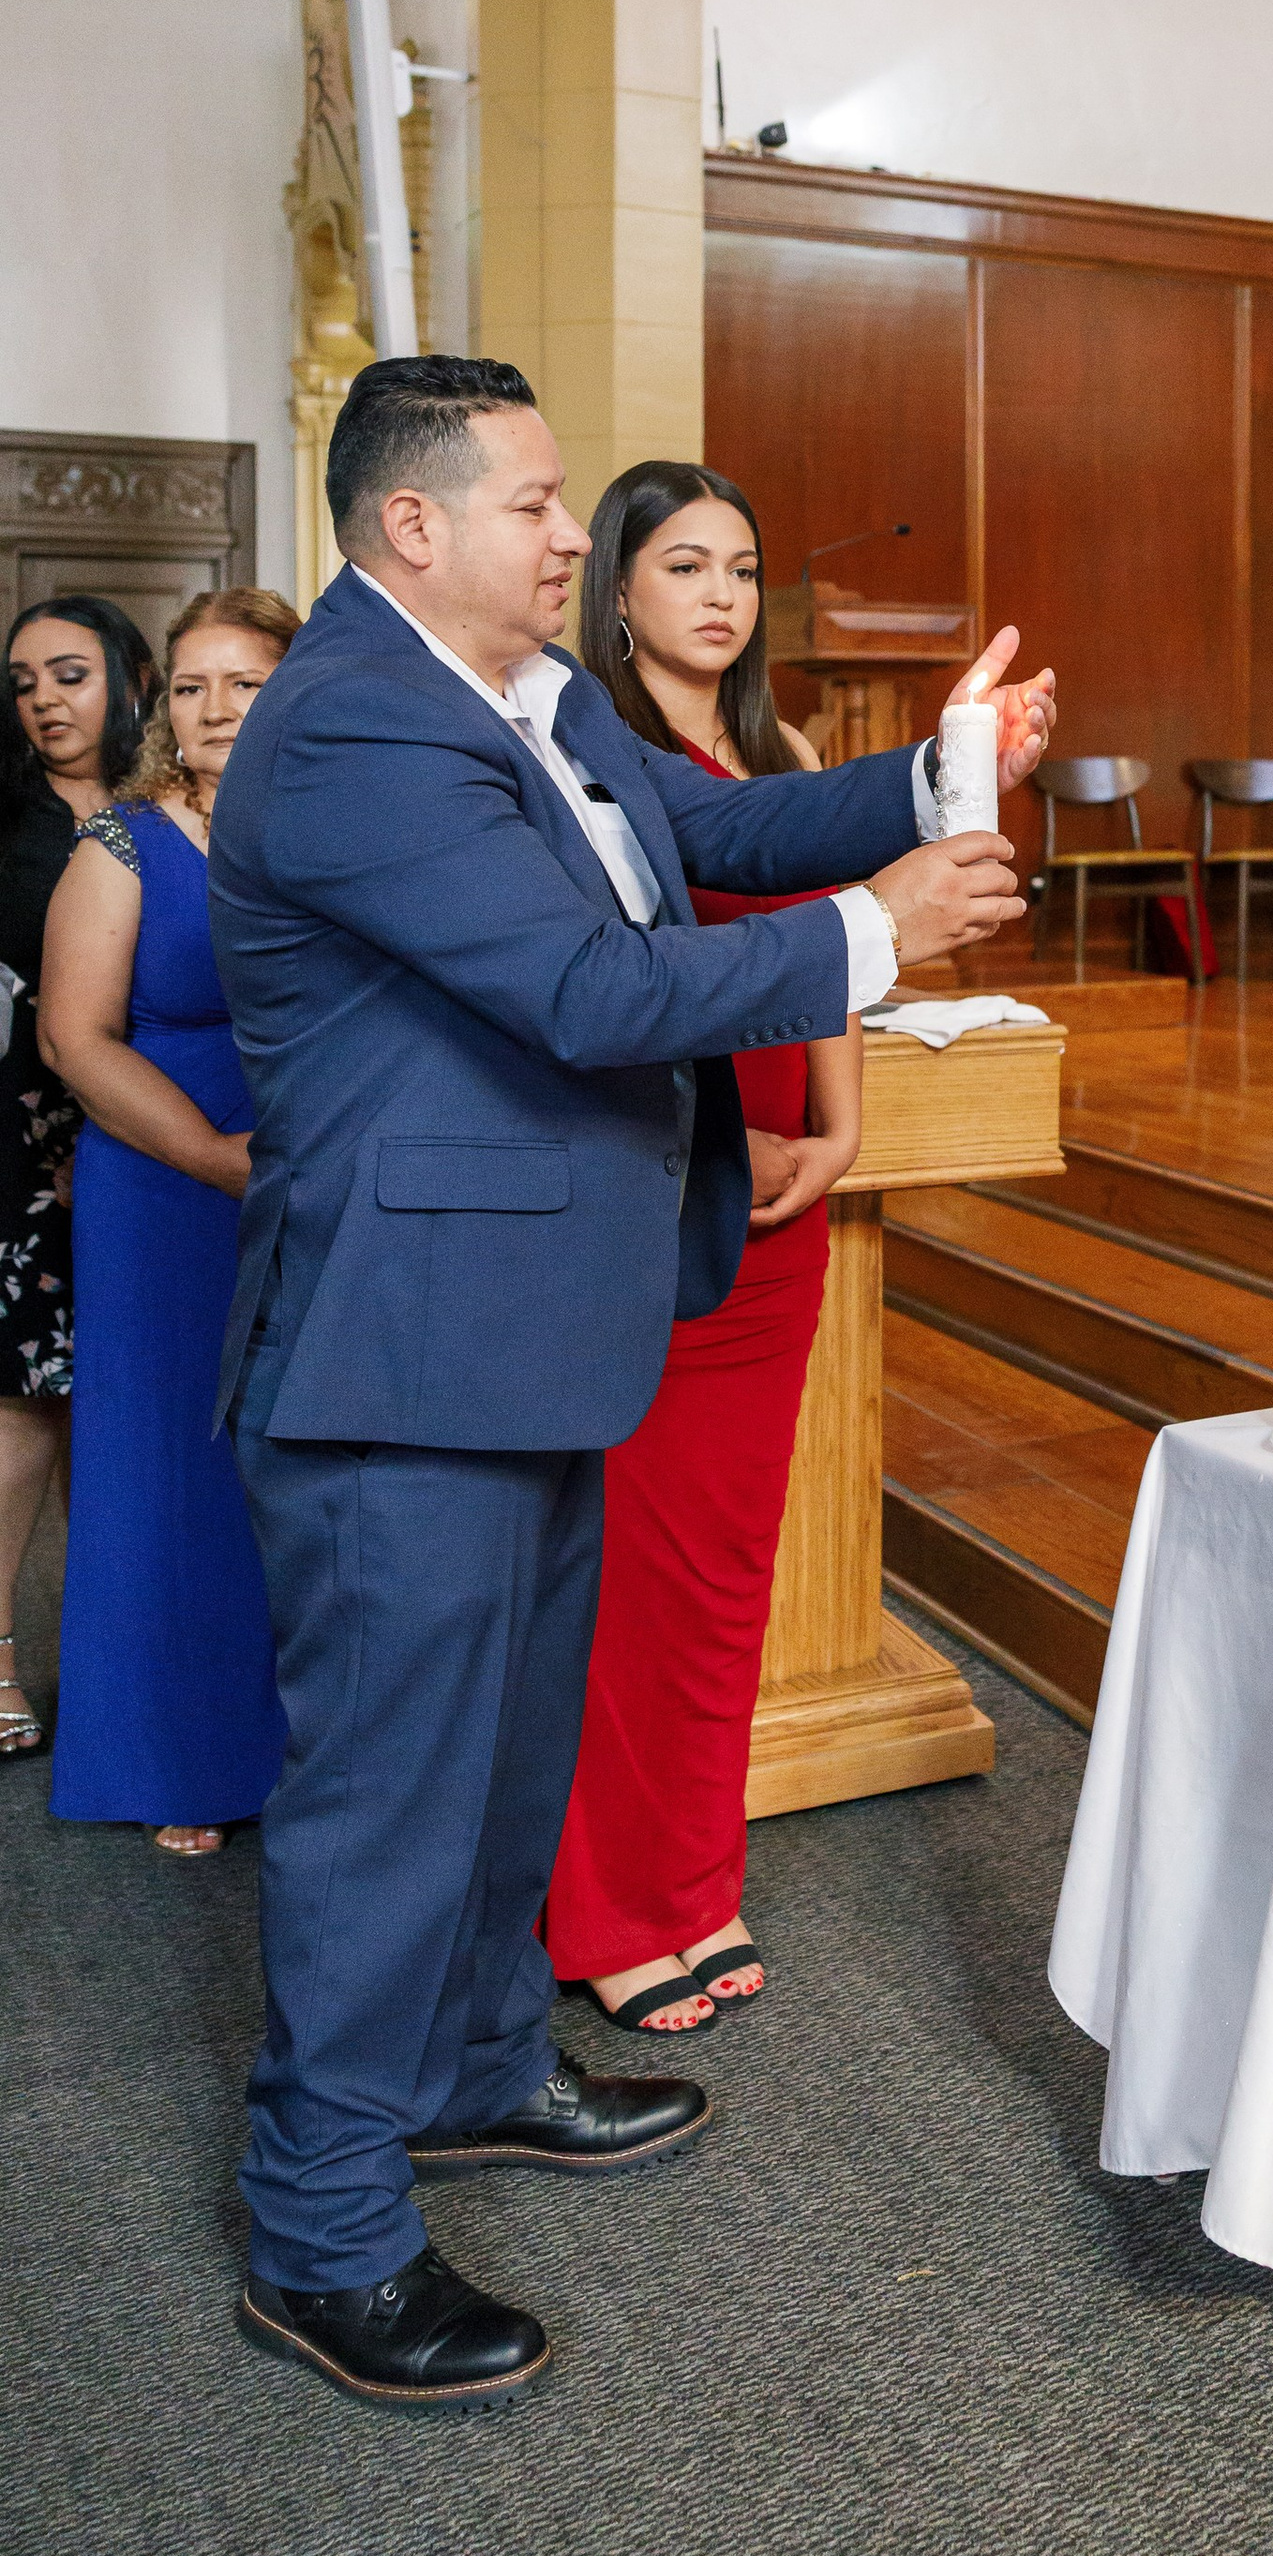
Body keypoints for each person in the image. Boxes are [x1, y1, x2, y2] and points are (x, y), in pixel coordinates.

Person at [210, 355, 1053, 2415]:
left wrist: (939, 778)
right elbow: (586, 991)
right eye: (535, 501)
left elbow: (712, 827)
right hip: (403, 1348)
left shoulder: (542, 697)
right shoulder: (352, 725)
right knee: (386, 1800)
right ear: (413, 524)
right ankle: (320, 2231)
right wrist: (874, 937)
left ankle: (478, 2068)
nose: (569, 533)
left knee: (507, 1757)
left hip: (535, 1325)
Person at [544, 463, 864, 2036]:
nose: (722, 594)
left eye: (740, 567)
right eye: (685, 565)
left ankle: (693, 1877)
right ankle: (607, 1909)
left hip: (785, 1199)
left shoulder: (781, 753)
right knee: (629, 1578)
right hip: (656, 1186)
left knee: (731, 1572)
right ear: (618, 587)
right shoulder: (588, 755)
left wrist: (843, 1126)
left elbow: (835, 949)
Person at [40, 591, 300, 1855]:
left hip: (311, 1168)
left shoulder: (332, 826)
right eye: (191, 686)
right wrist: (210, 1157)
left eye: (244, 683)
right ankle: (178, 1756)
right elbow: (72, 1038)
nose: (214, 709)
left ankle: (296, 1741)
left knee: (292, 1460)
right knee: (169, 1461)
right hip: (163, 1180)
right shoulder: (124, 842)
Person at [0, 598, 158, 1761]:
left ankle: (119, 1670)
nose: (45, 701)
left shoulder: (177, 807)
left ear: (129, 677)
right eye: (23, 684)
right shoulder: (9, 819)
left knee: (126, 1408)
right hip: (23, 1136)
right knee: (23, 1404)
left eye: (69, 673)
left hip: (155, 1126)